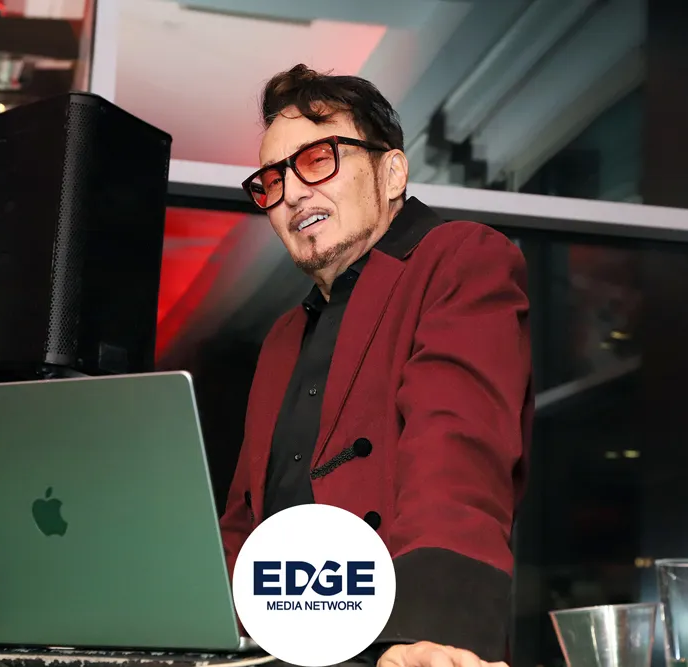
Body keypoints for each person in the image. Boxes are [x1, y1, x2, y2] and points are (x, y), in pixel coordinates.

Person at [219, 64, 532, 667]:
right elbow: (245, 517)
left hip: (397, 643)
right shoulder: (282, 337)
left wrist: (434, 632)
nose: (292, 194)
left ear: (391, 173)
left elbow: (457, 451)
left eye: (317, 160)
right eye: (272, 181)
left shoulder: (459, 258)